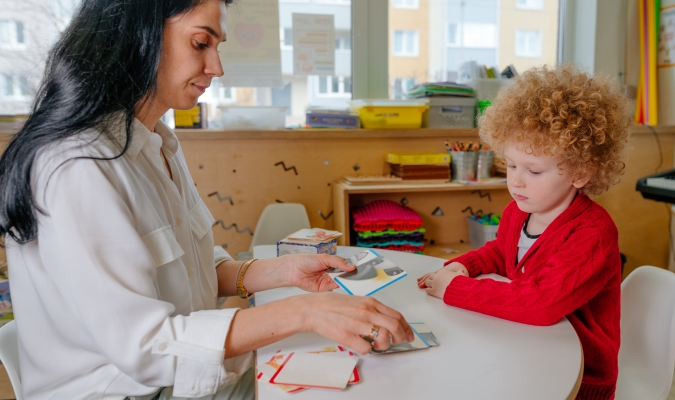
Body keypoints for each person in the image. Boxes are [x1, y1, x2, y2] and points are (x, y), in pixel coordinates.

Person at [0, 1, 414, 399]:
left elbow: (189, 271)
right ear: (135, 35)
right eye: (201, 43)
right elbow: (148, 348)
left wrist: (284, 271)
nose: (217, 68)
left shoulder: (156, 141)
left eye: (218, 47)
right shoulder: (77, 164)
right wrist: (304, 312)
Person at [417, 64, 631, 399]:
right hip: (527, 347)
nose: (516, 180)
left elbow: (541, 305)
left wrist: (455, 290)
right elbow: (503, 252)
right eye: (511, 165)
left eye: (533, 170)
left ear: (580, 172)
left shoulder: (593, 234)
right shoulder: (520, 209)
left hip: (579, 376)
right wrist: (466, 266)